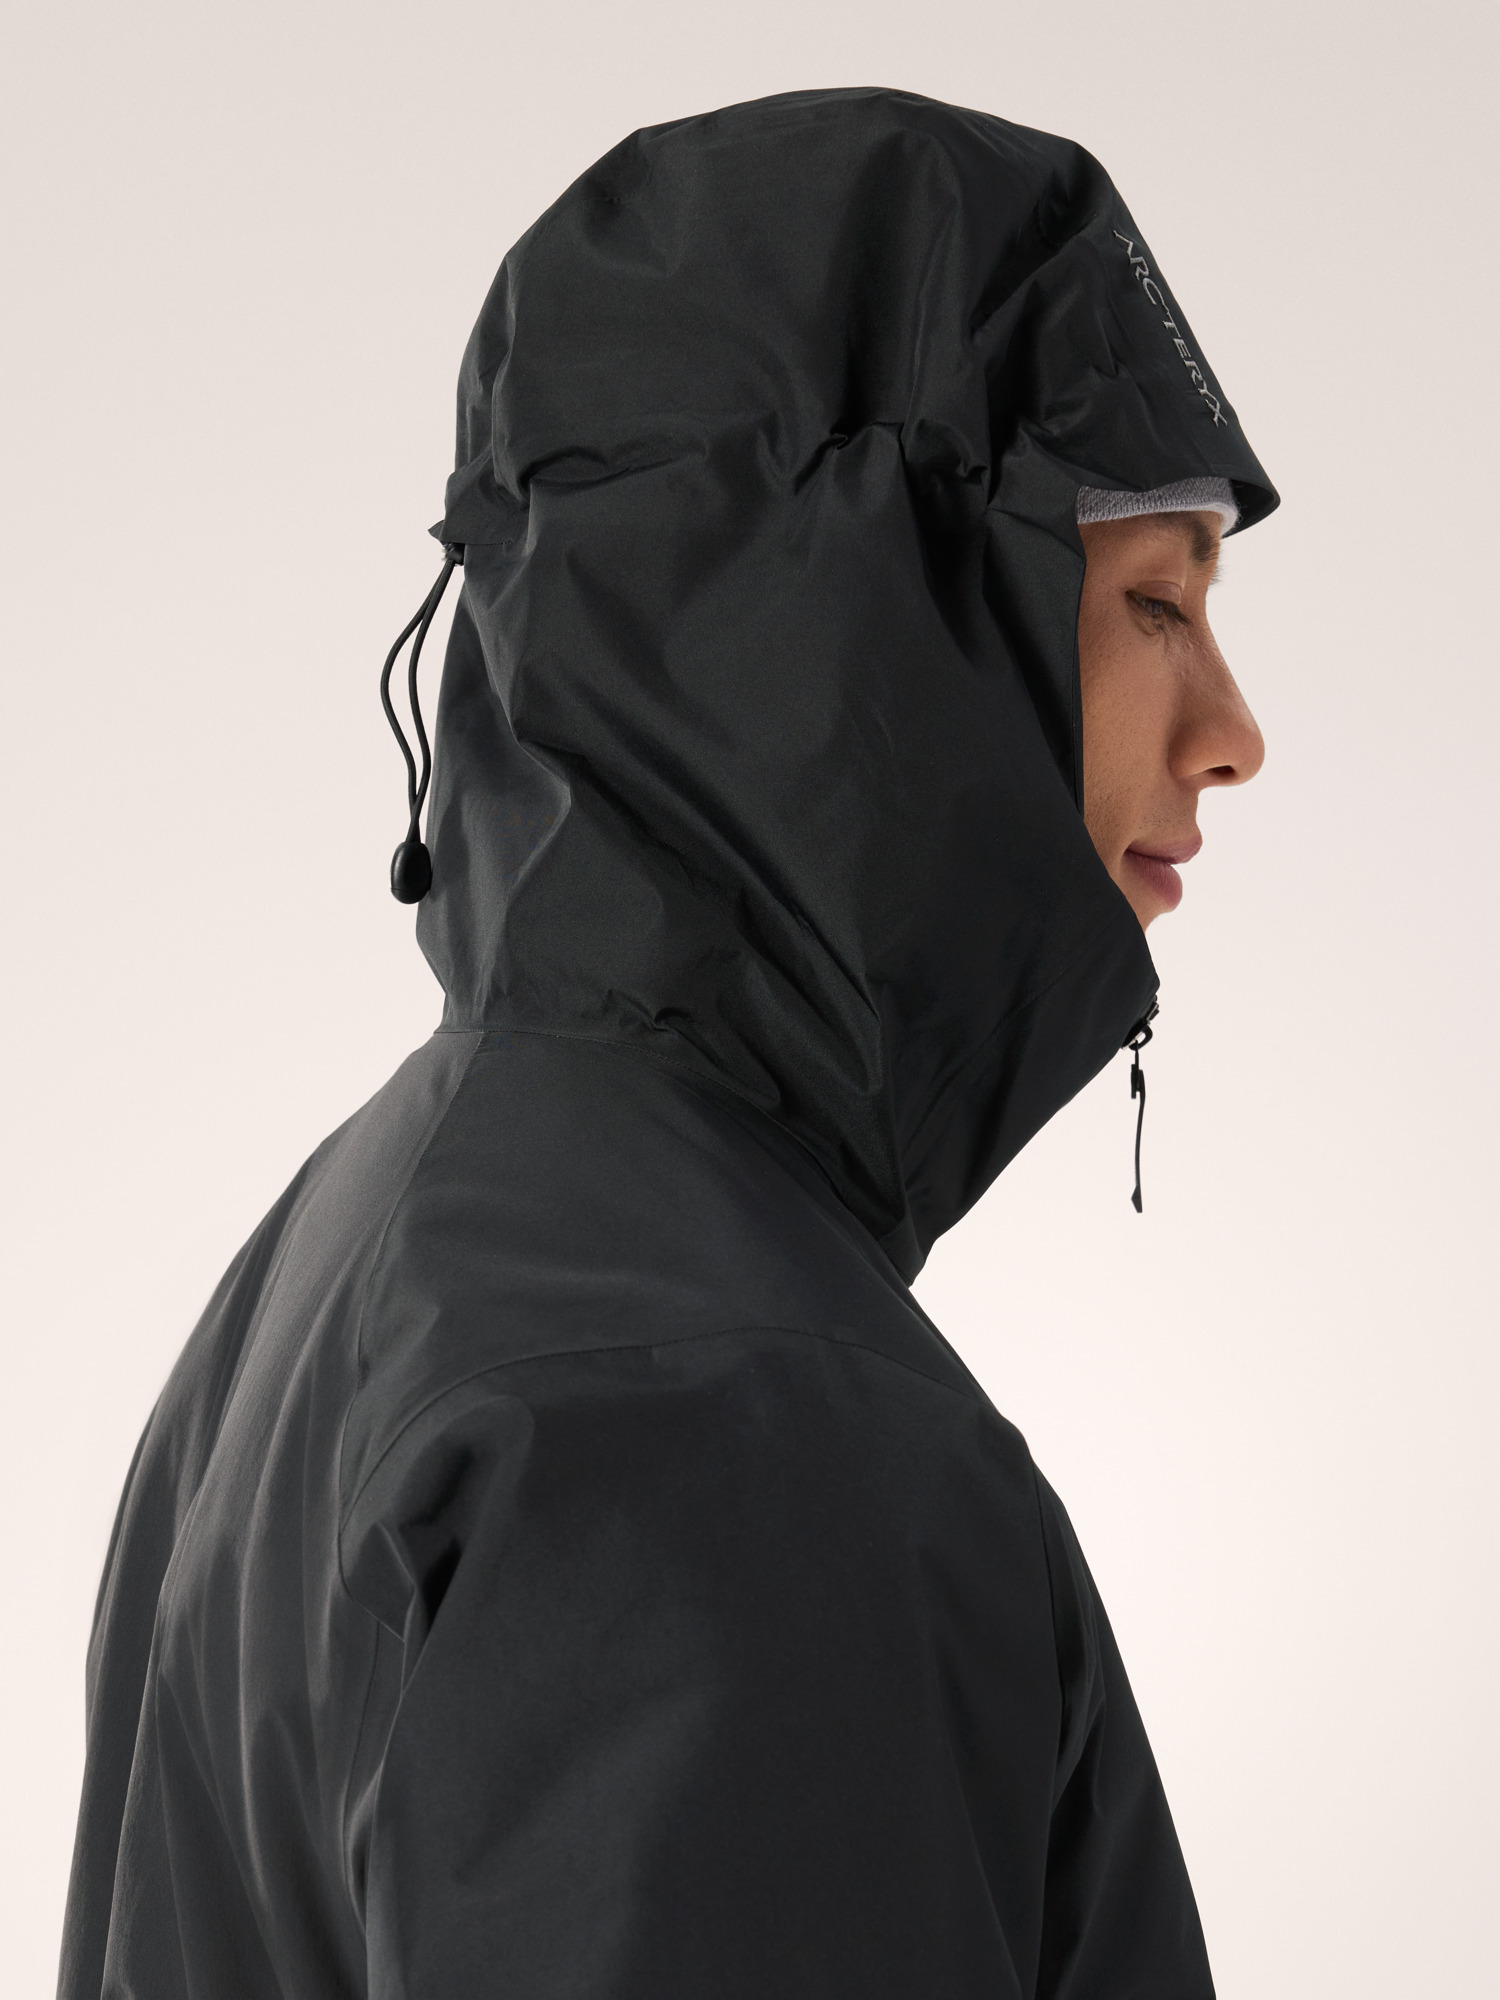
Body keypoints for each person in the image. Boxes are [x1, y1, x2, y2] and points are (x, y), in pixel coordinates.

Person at [58, 87, 1274, 2000]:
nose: (1233, 732)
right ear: (875, 621)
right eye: (1154, 603)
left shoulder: (337, 1274)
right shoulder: (718, 1408)